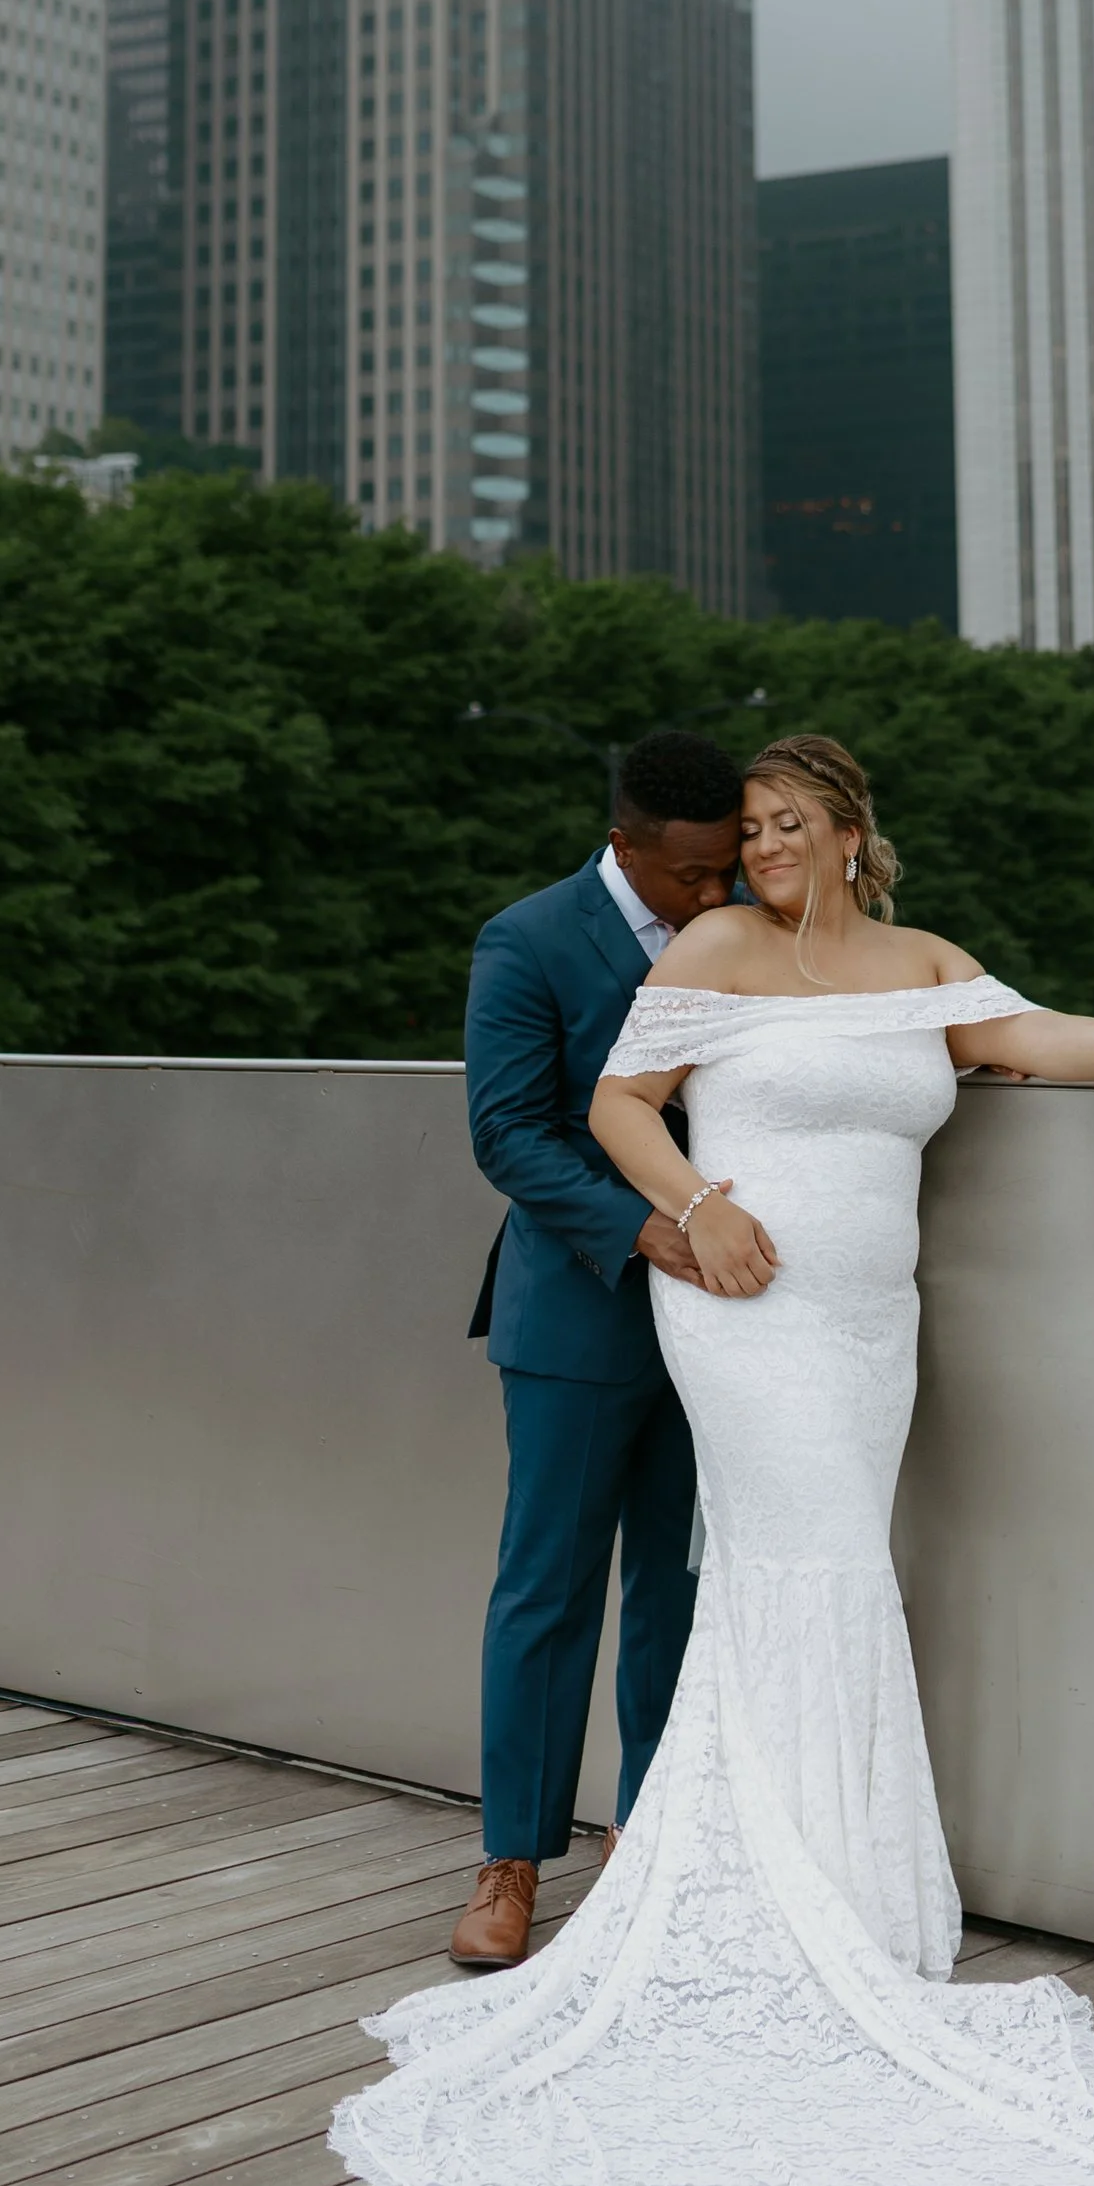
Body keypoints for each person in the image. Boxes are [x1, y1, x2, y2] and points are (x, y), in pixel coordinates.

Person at [332, 730, 1094, 2186]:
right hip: (746, 1310)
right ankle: (690, 1885)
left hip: (873, 1328)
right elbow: (614, 1102)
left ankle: (841, 1884)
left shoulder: (921, 958)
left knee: (803, 1575)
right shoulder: (715, 943)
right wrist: (701, 1214)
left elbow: (1024, 1040)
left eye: (788, 824)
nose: (760, 847)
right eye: (747, 827)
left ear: (852, 830)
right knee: (799, 1568)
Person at [443, 725, 749, 1976]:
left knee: (675, 1591)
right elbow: (508, 1133)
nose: (713, 893)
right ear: (624, 844)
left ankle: (649, 1841)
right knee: (547, 1592)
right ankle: (510, 1862)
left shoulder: (747, 930)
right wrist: (648, 1231)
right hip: (579, 1315)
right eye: (689, 876)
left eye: (725, 867)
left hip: (726, 1328)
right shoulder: (526, 939)